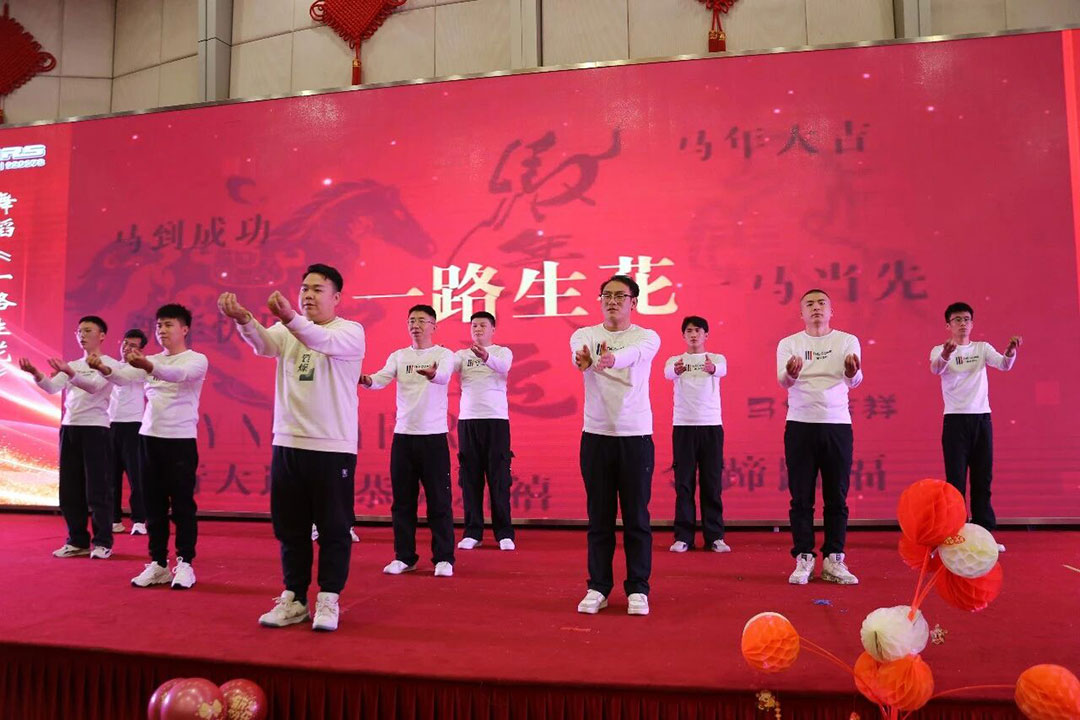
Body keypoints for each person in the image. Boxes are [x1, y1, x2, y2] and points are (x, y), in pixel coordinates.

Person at [219, 263, 365, 632]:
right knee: (291, 527)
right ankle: (295, 597)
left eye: (317, 289)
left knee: (333, 528)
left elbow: (319, 340)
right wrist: (245, 320)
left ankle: (328, 598)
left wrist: (289, 317)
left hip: (332, 446)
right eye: (304, 289)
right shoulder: (288, 331)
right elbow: (264, 345)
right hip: (287, 441)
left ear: (336, 297)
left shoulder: (349, 332)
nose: (308, 295)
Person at [89, 304, 208, 590]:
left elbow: (176, 375)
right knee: (153, 504)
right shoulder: (150, 360)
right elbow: (123, 378)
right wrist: (103, 368)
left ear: (184, 329)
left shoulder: (196, 360)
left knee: (182, 506)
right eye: (159, 326)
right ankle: (158, 563)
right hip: (148, 438)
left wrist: (148, 366)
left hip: (180, 440)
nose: (162, 330)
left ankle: (185, 563)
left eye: (168, 325)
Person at [571, 275, 660, 616]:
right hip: (596, 437)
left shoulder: (646, 337)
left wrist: (611, 360)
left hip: (635, 437)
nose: (612, 301)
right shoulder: (585, 335)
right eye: (606, 295)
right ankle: (598, 587)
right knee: (600, 518)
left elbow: (633, 355)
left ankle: (638, 588)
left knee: (636, 517)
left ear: (633, 302)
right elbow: (579, 356)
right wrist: (583, 360)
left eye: (619, 296)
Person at [361, 304, 456, 577]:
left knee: (439, 500)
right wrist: (366, 379)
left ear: (434, 326)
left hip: (433, 438)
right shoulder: (399, 356)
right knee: (402, 502)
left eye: (422, 321)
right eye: (411, 320)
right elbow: (381, 378)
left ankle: (443, 558)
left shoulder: (443, 354)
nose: (416, 325)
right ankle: (404, 556)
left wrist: (433, 374)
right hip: (403, 438)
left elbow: (444, 377)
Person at [776, 289, 862, 585]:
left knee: (836, 496)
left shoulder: (847, 341)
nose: (816, 308)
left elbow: (855, 380)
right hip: (800, 424)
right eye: (809, 304)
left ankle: (834, 558)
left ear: (831, 310)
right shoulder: (789, 343)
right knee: (801, 497)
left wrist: (851, 372)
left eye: (822, 303)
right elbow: (783, 381)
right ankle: (804, 557)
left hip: (837, 425)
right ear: (801, 313)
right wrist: (791, 372)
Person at [19, 316, 115, 559]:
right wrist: (35, 373)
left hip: (95, 429)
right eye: (79, 331)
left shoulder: (109, 365)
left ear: (102, 335)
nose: (82, 335)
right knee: (70, 489)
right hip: (70, 428)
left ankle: (102, 542)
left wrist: (69, 371)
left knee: (97, 489)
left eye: (88, 330)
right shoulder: (72, 364)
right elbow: (52, 387)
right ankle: (77, 541)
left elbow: (93, 386)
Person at [930, 302, 1020, 551]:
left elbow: (1004, 364)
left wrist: (1010, 352)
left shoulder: (982, 348)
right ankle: (954, 533)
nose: (963, 323)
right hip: (955, 421)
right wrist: (946, 354)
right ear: (948, 325)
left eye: (966, 319)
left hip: (981, 419)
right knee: (956, 481)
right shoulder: (940, 350)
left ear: (972, 324)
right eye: (957, 320)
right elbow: (936, 368)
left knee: (982, 478)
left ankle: (984, 534)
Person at [663, 315, 729, 554]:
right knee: (684, 483)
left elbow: (722, 370)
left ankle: (715, 537)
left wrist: (712, 369)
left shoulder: (717, 359)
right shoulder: (675, 361)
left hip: (711, 426)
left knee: (712, 483)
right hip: (684, 426)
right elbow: (667, 373)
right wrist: (676, 370)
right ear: (683, 335)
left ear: (706, 335)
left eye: (698, 331)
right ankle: (683, 537)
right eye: (689, 331)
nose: (693, 335)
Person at [454, 311, 515, 551]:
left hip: (496, 421)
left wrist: (486, 356)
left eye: (482, 325)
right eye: (474, 326)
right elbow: (446, 370)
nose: (477, 329)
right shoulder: (461, 355)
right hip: (468, 421)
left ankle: (504, 533)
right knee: (470, 478)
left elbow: (503, 366)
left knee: (499, 478)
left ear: (493, 329)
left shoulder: (502, 352)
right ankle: (473, 531)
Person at [109, 329, 148, 536]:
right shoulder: (112, 365)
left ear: (141, 350)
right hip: (110, 424)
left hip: (134, 425)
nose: (127, 348)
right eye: (125, 343)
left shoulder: (142, 368)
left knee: (137, 476)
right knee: (111, 476)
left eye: (133, 346)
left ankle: (139, 520)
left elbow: (121, 378)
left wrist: (104, 369)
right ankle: (114, 519)